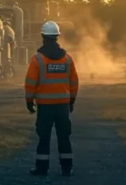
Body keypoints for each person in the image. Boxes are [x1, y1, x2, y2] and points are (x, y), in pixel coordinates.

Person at [24, 20, 79, 177]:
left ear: (43, 36)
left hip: (45, 106)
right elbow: (74, 82)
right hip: (62, 106)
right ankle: (67, 169)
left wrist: (29, 101)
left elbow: (30, 82)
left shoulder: (38, 59)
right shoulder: (67, 59)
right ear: (57, 37)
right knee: (64, 137)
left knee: (44, 138)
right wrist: (72, 100)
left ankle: (42, 169)